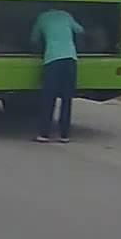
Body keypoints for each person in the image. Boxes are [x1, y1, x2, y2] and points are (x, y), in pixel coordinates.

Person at [30, 7, 84, 143]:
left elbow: (34, 39)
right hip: (71, 59)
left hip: (52, 60)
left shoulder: (42, 17)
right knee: (67, 98)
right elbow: (80, 30)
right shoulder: (66, 15)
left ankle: (44, 134)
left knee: (49, 98)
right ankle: (64, 135)